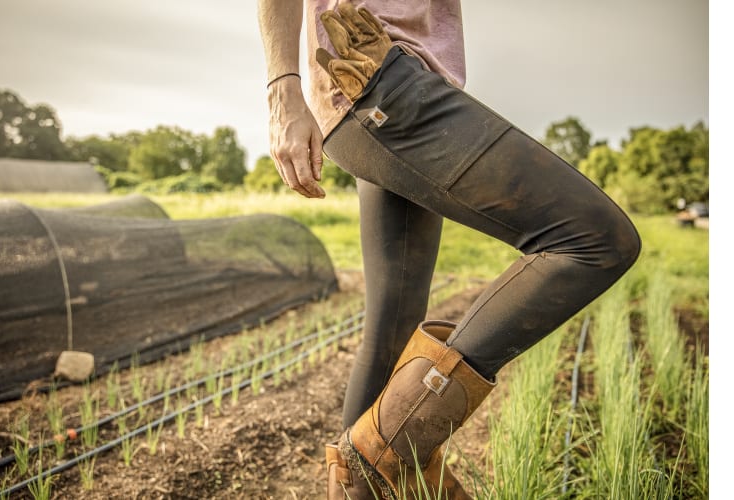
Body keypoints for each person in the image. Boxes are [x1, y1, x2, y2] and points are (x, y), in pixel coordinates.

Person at [256, 1, 641, 498]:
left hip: (399, 79)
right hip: (370, 70)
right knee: (594, 237)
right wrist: (283, 91)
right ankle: (382, 448)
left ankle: (361, 481)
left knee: (393, 325)